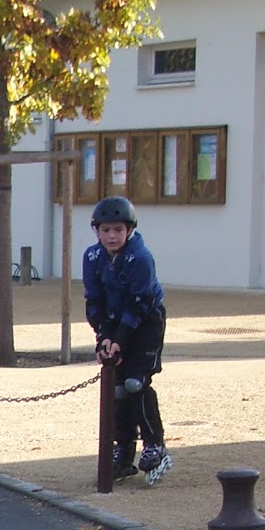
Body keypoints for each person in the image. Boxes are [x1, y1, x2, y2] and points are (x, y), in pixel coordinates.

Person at [84, 196, 170, 483]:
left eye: (118, 230)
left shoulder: (140, 257)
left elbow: (141, 302)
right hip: (114, 321)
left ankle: (154, 444)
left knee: (136, 382)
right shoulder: (92, 257)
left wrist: (120, 338)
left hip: (146, 322)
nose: (112, 236)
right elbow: (94, 301)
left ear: (130, 229)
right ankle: (123, 449)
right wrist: (103, 338)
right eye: (106, 230)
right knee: (117, 387)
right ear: (97, 230)